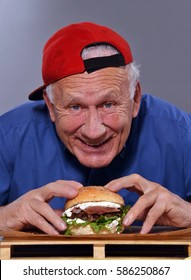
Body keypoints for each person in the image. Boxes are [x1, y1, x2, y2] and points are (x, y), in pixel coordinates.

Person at [0, 22, 191, 235]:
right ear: (51, 106)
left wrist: (188, 213)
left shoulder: (180, 133)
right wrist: (5, 217)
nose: (94, 131)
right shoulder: (8, 136)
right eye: (75, 106)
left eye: (108, 104)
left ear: (135, 98)